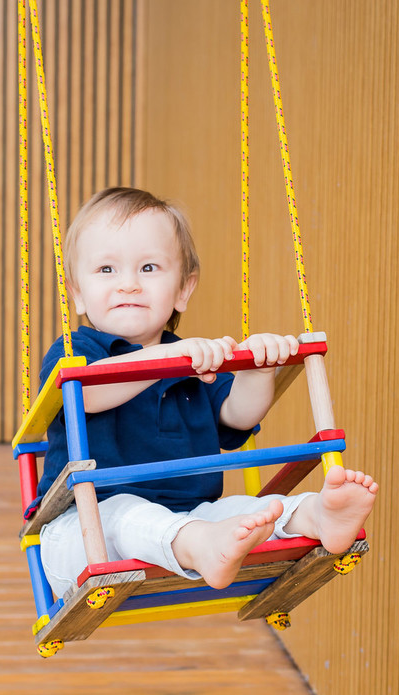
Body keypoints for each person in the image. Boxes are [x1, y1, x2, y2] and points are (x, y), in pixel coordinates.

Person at [36, 187, 378, 598]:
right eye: (107, 270)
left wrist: (258, 369)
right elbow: (89, 394)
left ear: (183, 288)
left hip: (191, 516)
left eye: (148, 268)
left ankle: (316, 516)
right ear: (76, 292)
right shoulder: (76, 353)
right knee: (130, 517)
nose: (128, 284)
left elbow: (238, 417)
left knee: (245, 513)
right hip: (82, 532)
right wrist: (167, 355)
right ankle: (200, 545)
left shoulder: (196, 362)